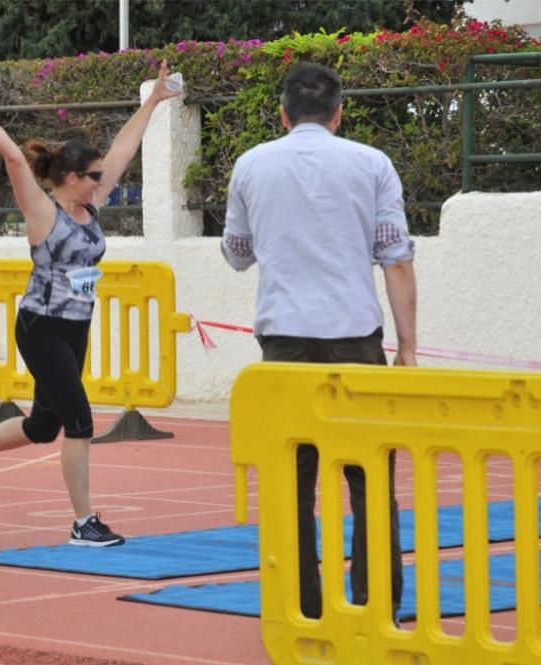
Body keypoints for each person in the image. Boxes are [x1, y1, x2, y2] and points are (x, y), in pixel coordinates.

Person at [0, 62, 180, 547]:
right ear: (70, 177)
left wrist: (151, 102)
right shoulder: (43, 212)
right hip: (41, 328)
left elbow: (123, 150)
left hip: (75, 329)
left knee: (44, 426)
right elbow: (11, 156)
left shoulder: (89, 205)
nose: (102, 181)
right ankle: (83, 522)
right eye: (92, 176)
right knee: (80, 421)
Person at [221, 62, 416, 620]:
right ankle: (377, 604)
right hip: (355, 337)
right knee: (371, 481)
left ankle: (300, 609)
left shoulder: (251, 165)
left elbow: (236, 254)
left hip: (283, 343)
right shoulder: (371, 163)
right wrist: (407, 346)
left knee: (292, 482)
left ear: (282, 115)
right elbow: (395, 259)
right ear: (339, 114)